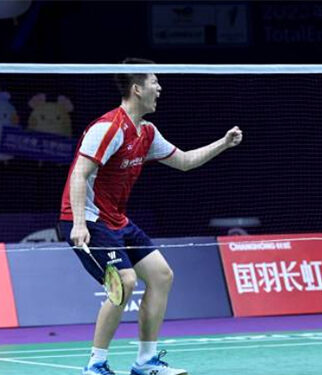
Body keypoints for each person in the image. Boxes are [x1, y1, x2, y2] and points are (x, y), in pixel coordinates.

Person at [58, 57, 243, 375]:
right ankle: (95, 365)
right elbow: (79, 175)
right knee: (124, 283)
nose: (159, 88)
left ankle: (145, 361)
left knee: (161, 275)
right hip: (88, 219)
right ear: (136, 89)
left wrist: (223, 144)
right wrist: (77, 223)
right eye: (154, 82)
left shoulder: (147, 132)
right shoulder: (108, 129)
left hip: (117, 219)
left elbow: (184, 161)